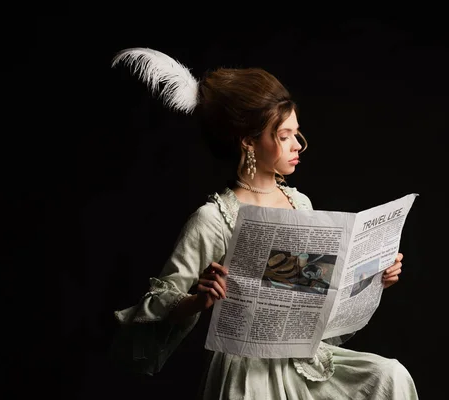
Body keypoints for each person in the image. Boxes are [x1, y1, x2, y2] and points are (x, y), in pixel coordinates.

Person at [109, 47, 418, 399]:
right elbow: (158, 300)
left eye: (297, 133)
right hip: (247, 372)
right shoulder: (212, 218)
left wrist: (373, 278)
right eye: (284, 136)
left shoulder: (299, 203)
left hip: (301, 360)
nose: (297, 145)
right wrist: (199, 300)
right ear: (249, 142)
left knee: (389, 375)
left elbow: (316, 291)